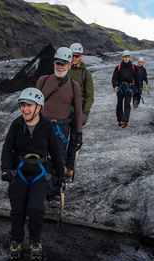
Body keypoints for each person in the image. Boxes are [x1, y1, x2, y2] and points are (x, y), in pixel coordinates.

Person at [1, 88, 65, 260]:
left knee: (36, 209)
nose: (25, 109)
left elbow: (55, 151)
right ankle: (16, 240)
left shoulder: (47, 126)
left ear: (38, 107)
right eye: (22, 105)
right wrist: (6, 170)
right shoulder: (16, 125)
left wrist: (61, 175)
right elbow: (7, 149)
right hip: (19, 174)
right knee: (18, 211)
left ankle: (35, 240)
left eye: (29, 105)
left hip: (40, 175)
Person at [36, 47, 83, 199]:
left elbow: (78, 111)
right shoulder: (42, 81)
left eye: (64, 63)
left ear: (69, 65)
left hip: (60, 129)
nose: (60, 66)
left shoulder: (73, 86)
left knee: (57, 161)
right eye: (58, 63)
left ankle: (53, 193)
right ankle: (38, 191)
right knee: (38, 159)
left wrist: (79, 132)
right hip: (41, 126)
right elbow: (34, 105)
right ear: (54, 63)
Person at [67, 42, 94, 178]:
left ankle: (69, 167)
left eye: (76, 56)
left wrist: (85, 112)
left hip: (77, 112)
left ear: (81, 56)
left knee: (73, 141)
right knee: (61, 140)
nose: (74, 58)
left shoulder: (86, 74)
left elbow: (90, 96)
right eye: (72, 55)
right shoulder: (64, 70)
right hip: (63, 111)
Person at [112, 50, 140, 128]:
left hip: (129, 88)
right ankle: (119, 120)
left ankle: (125, 121)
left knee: (127, 104)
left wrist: (138, 89)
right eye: (125, 57)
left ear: (130, 57)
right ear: (123, 57)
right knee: (119, 104)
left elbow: (137, 78)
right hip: (120, 88)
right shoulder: (118, 67)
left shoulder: (133, 67)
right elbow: (114, 78)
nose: (126, 59)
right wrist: (115, 86)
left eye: (128, 57)